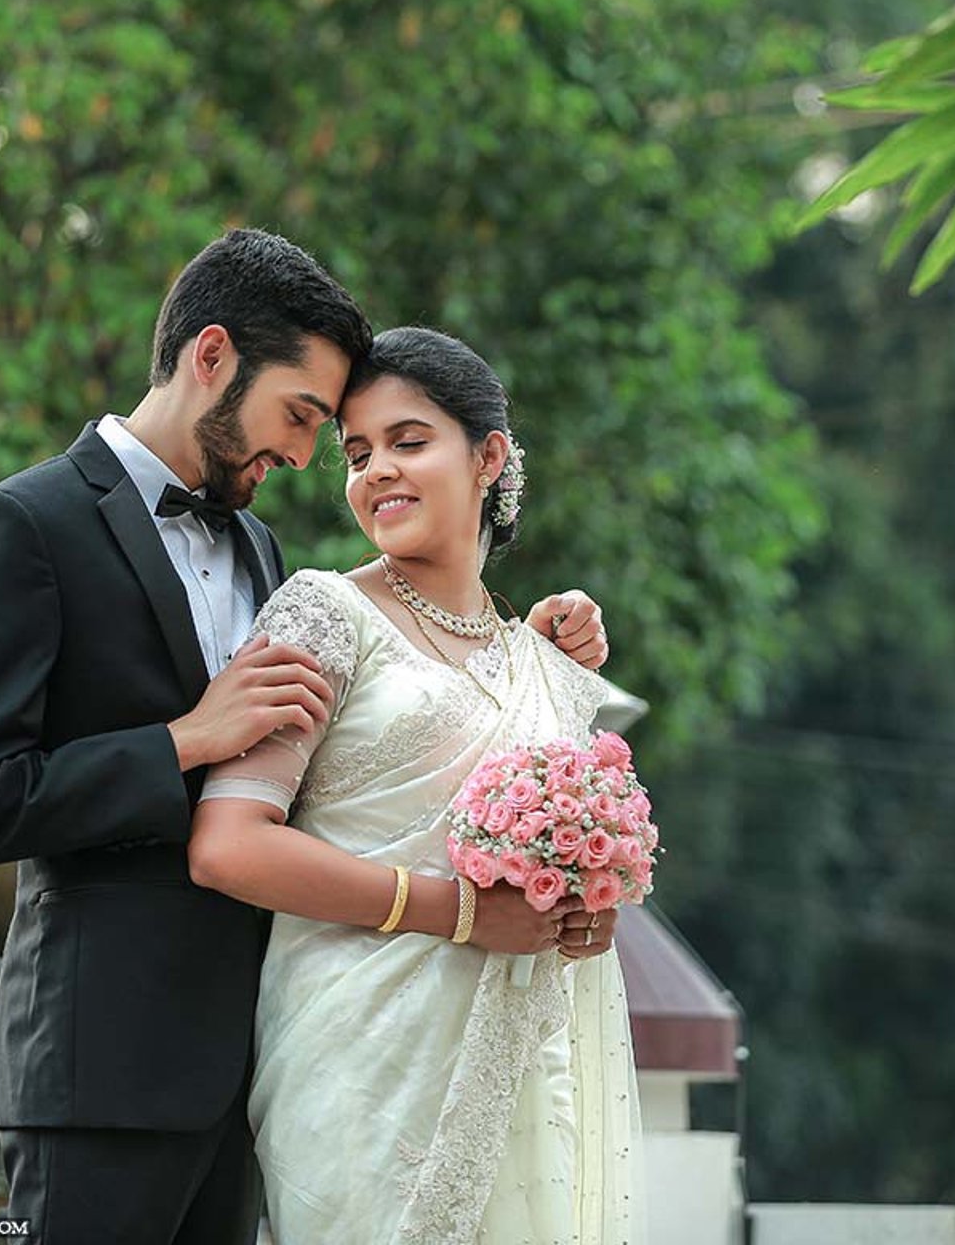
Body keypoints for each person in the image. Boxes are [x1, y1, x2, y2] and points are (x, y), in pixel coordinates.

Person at [0, 231, 610, 1245]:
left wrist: (527, 660)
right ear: (211, 356)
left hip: (262, 1063)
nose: (297, 455)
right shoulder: (23, 523)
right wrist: (182, 739)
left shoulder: (256, 543)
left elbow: (365, 734)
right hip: (100, 1064)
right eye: (302, 418)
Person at [189, 326, 639, 1244]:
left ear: (489, 457)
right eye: (356, 455)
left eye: (407, 441)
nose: (374, 473)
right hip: (358, 1073)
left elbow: (555, 882)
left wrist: (583, 910)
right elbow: (228, 845)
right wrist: (462, 913)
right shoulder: (324, 612)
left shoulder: (539, 662)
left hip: (520, 1071)